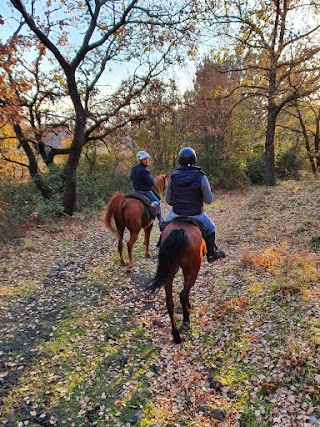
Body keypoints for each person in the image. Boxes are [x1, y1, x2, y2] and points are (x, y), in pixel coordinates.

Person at [164, 146, 225, 262]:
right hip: (196, 214)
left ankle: (160, 247)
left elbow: (167, 199)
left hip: (176, 213)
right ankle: (211, 254)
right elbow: (208, 200)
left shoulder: (173, 176)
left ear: (180, 160)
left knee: (164, 227)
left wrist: (177, 203)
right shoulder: (201, 176)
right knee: (211, 228)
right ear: (194, 160)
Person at [130, 150, 162, 225]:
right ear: (140, 161)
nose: (147, 160)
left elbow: (131, 177)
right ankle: (160, 220)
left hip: (135, 191)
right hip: (145, 191)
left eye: (147, 158)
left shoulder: (134, 168)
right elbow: (151, 183)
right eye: (145, 159)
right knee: (157, 202)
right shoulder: (145, 171)